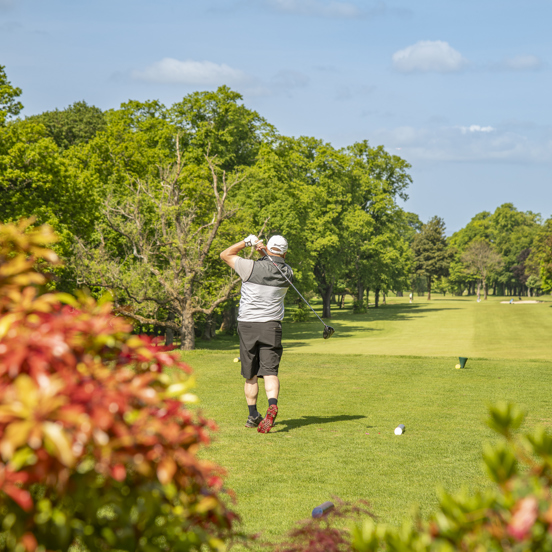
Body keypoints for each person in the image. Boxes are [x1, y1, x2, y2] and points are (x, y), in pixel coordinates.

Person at [220, 234, 293, 433]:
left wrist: (247, 242)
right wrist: (264, 251)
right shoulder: (287, 272)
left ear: (269, 248)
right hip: (271, 326)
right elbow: (275, 263)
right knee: (270, 371)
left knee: (250, 374)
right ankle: (272, 404)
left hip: (248, 326)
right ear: (285, 253)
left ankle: (252, 415)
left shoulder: (249, 268)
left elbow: (225, 254)